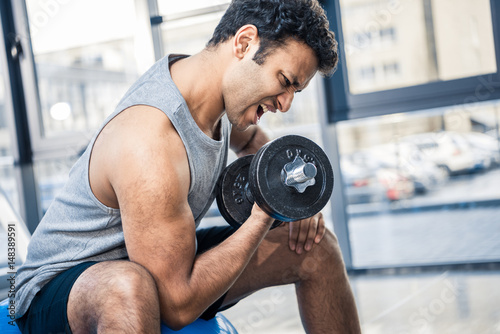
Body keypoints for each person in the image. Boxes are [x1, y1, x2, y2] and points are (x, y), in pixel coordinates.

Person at [15, 0, 361, 333]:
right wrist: (265, 213)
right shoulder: (150, 140)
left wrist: (286, 195)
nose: (285, 104)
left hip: (155, 267)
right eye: (285, 81)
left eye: (295, 92)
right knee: (128, 289)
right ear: (244, 43)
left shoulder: (220, 99)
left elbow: (254, 141)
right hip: (60, 286)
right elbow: (176, 306)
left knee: (316, 248)